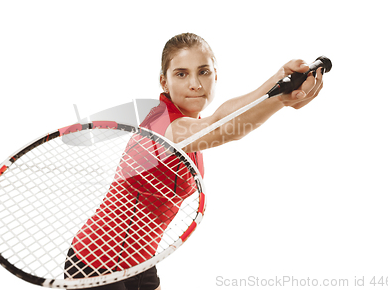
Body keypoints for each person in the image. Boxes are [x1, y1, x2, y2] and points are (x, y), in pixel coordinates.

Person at [66, 33, 324, 290]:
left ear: (215, 75)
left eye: (203, 72)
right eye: (181, 74)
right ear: (163, 82)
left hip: (142, 261)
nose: (195, 84)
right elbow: (222, 127)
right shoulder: (160, 125)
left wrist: (279, 85)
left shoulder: (191, 125)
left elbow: (223, 117)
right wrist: (278, 95)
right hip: (95, 265)